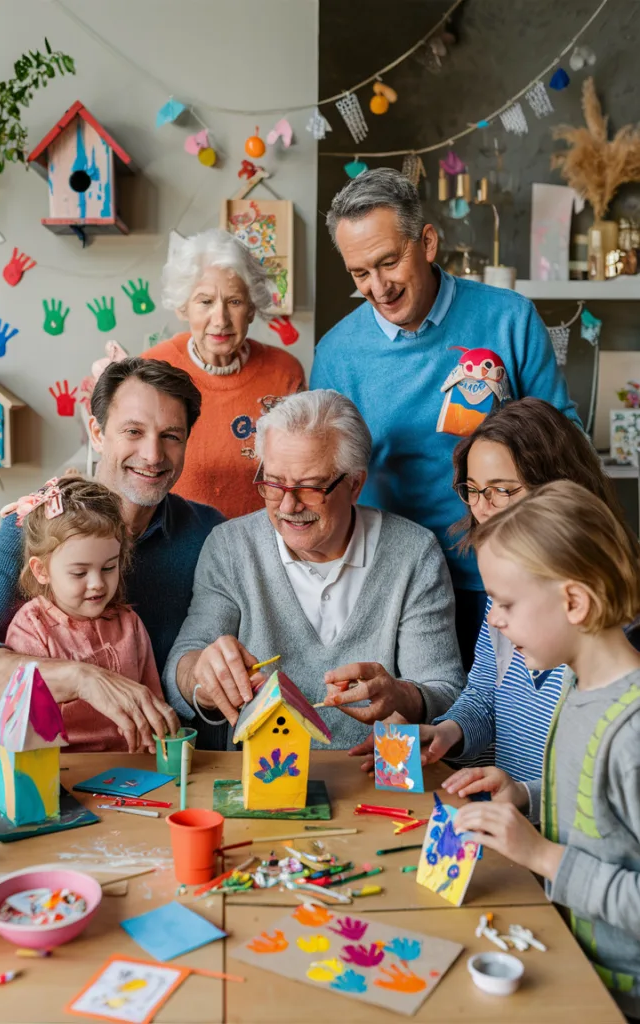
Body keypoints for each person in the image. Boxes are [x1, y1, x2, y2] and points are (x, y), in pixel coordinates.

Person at [310, 168, 582, 670]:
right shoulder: (336, 353)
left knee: (503, 729)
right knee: (415, 731)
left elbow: (566, 446)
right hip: (391, 585)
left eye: (389, 262)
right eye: (359, 273)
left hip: (504, 577)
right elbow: (323, 476)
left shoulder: (509, 318)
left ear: (428, 242)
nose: (378, 287)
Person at [162, 389, 465, 750]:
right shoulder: (230, 546)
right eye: (273, 483)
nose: (288, 505)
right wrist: (201, 674)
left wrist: (405, 696)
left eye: (309, 487)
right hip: (263, 780)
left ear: (354, 485)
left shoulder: (414, 553)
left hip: (374, 779)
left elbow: (445, 690)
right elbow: (180, 668)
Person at [347, 398, 633, 779]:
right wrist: (447, 732)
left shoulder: (611, 632)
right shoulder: (508, 594)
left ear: (557, 487)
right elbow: (485, 698)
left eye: (501, 490)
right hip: (515, 822)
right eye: (473, 489)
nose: (482, 508)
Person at [0, 357, 224, 754]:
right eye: (133, 431)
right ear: (97, 433)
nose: (153, 455)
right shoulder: (34, 527)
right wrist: (81, 678)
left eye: (171, 435)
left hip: (165, 766)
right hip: (54, 771)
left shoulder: (210, 534)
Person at [447, 482, 640, 1023]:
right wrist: (527, 797)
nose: (492, 621)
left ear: (574, 601)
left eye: (505, 604)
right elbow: (608, 821)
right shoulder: (577, 690)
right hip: (573, 961)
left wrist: (542, 857)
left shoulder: (633, 730)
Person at [144, 228, 306, 518]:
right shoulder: (152, 370)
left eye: (234, 302)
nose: (220, 319)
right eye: (205, 302)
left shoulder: (284, 372)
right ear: (184, 307)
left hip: (261, 542)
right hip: (174, 540)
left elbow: (301, 468)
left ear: (252, 309)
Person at [4, 476, 162, 752]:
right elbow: (24, 727)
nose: (97, 583)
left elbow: (152, 704)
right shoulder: (32, 628)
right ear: (41, 571)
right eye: (79, 572)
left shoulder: (129, 624)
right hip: (60, 769)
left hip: (132, 768)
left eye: (109, 567)